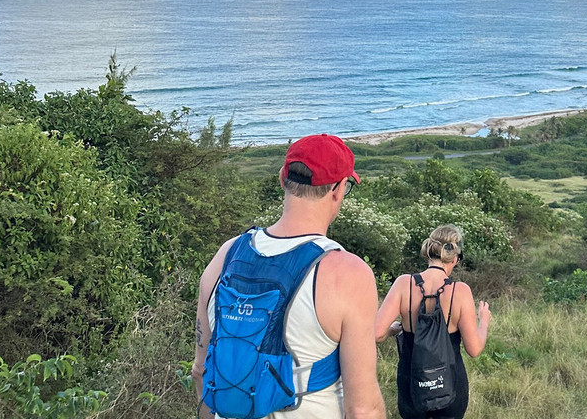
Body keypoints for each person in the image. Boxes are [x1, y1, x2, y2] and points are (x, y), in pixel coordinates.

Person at [194, 133, 385, 419]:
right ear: (338, 190)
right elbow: (362, 409)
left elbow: (200, 372)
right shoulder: (348, 275)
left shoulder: (226, 255)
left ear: (283, 178)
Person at [374, 224, 492, 419]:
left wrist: (394, 330)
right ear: (455, 258)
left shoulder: (403, 283)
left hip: (412, 382)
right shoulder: (460, 291)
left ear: (429, 252)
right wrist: (484, 322)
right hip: (450, 384)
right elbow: (474, 349)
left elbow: (377, 333)